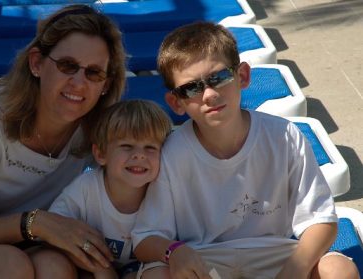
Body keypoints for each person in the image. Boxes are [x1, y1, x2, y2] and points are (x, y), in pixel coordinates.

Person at [131, 22, 360, 279]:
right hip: (202, 259)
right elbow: (145, 238)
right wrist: (174, 251)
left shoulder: (285, 136)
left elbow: (321, 220)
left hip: (275, 257)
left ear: (242, 76)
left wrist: (292, 272)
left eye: (219, 78)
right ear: (176, 102)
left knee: (339, 270)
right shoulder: (171, 153)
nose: (208, 94)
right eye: (192, 88)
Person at [0, 4, 126, 278]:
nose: (79, 82)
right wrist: (35, 223)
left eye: (94, 73)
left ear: (106, 85)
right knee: (9, 266)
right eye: (67, 65)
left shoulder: (95, 128)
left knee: (55, 267)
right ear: (37, 63)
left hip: (24, 240)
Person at [47, 99, 172, 279]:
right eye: (127, 146)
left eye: (150, 147)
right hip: (91, 269)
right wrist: (101, 269)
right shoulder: (86, 189)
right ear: (101, 154)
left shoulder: (165, 192)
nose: (139, 154)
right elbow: (54, 232)